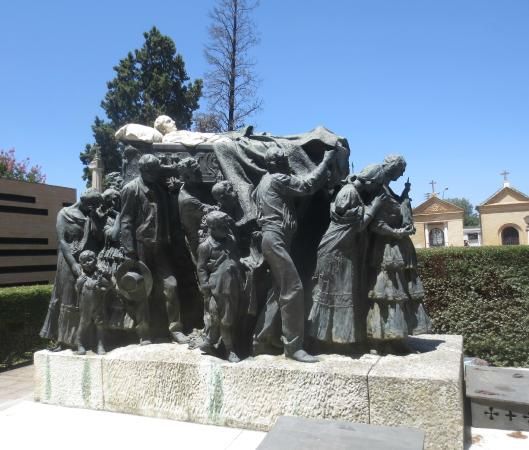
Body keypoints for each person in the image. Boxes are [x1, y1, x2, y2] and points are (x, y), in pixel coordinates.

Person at [253, 144, 336, 363]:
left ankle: (262, 340)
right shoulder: (278, 179)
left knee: (278, 291)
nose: (287, 165)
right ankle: (293, 347)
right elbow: (307, 185)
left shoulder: (263, 181)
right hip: (275, 238)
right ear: (278, 164)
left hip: (275, 239)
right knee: (293, 289)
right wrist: (326, 161)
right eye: (284, 161)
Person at [308, 165, 385, 348]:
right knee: (334, 297)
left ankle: (340, 339)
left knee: (342, 296)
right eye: (376, 184)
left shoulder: (353, 192)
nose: (376, 189)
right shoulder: (348, 193)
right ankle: (329, 341)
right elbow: (356, 226)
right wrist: (374, 208)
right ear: (369, 181)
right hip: (336, 250)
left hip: (344, 250)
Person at [366, 155, 431, 354]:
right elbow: (375, 223)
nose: (402, 173)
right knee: (387, 293)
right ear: (393, 167)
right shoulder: (377, 188)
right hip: (386, 247)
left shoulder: (387, 188)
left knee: (399, 292)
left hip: (397, 245)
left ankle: (396, 336)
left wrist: (404, 195)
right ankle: (382, 339)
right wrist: (396, 232)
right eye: (401, 169)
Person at [120, 154, 187, 343]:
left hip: (161, 246)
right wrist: (129, 250)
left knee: (171, 286)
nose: (155, 174)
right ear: (142, 170)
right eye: (151, 171)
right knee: (142, 289)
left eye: (156, 171)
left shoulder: (160, 189)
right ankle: (143, 332)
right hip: (141, 246)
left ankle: (175, 329)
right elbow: (125, 220)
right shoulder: (130, 189)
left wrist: (175, 192)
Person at [40, 189, 104, 350]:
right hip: (68, 262)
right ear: (86, 201)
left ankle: (84, 339)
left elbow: (99, 237)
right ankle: (65, 339)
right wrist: (74, 264)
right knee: (68, 298)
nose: (94, 208)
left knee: (87, 299)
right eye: (93, 205)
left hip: (88, 261)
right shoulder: (64, 214)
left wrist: (95, 218)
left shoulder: (90, 216)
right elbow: (62, 241)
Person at [196, 211, 243, 363]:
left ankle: (221, 345)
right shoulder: (205, 246)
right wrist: (205, 288)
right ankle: (219, 345)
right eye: (224, 227)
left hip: (232, 287)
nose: (227, 229)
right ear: (213, 229)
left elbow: (235, 257)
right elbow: (201, 268)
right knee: (216, 317)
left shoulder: (230, 240)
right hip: (215, 288)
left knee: (227, 318)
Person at [75, 250, 111, 355]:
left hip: (98, 305)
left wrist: (102, 287)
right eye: (84, 261)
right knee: (83, 324)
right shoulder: (82, 277)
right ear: (81, 264)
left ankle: (100, 345)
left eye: (89, 260)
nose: (87, 263)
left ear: (95, 260)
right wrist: (79, 283)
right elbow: (77, 290)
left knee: (100, 324)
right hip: (85, 306)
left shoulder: (99, 275)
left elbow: (108, 286)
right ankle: (80, 344)